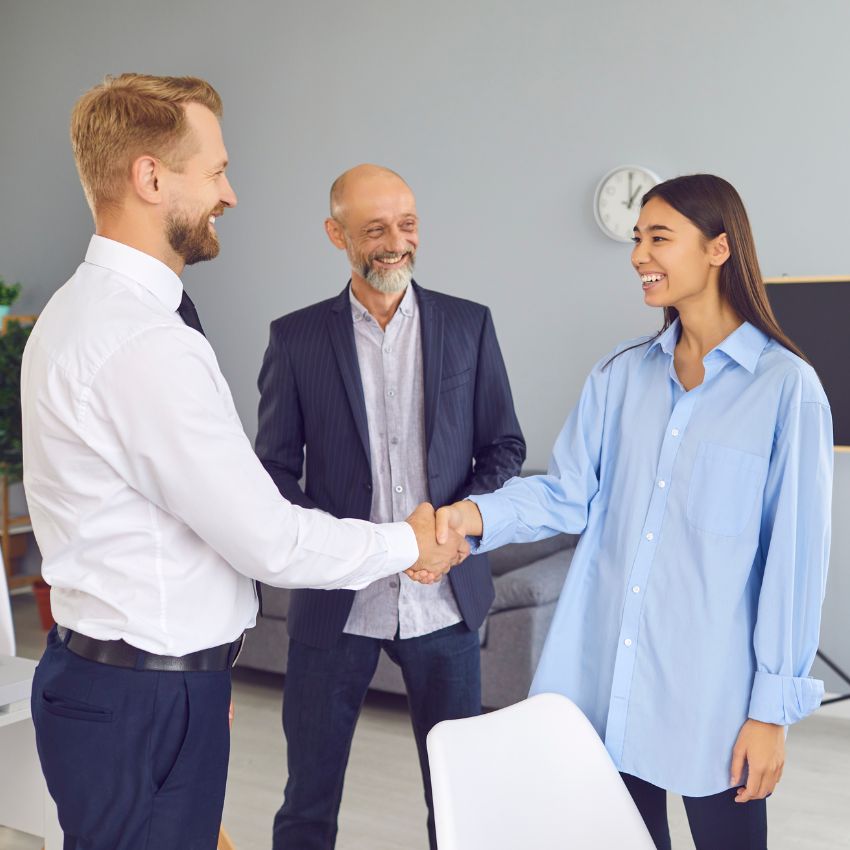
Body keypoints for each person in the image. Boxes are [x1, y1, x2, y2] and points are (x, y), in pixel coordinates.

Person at [22, 75, 466, 850]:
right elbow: (268, 538)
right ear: (151, 178)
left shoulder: (82, 310)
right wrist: (409, 542)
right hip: (146, 699)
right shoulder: (142, 341)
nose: (231, 193)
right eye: (216, 170)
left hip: (140, 685)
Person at [436, 174, 832, 850]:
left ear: (717, 248)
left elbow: (792, 561)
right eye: (636, 238)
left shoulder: (785, 390)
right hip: (606, 686)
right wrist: (467, 516)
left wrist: (772, 711)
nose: (638, 255)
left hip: (715, 699)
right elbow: (565, 494)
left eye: (658, 238)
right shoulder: (618, 377)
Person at [255, 163, 526, 850]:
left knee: (459, 803)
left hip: (445, 600)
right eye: (375, 229)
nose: (395, 244)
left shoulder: (469, 325)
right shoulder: (297, 339)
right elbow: (275, 472)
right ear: (335, 233)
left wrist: (456, 533)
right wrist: (344, 545)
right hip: (337, 604)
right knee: (306, 806)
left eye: (407, 226)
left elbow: (504, 448)